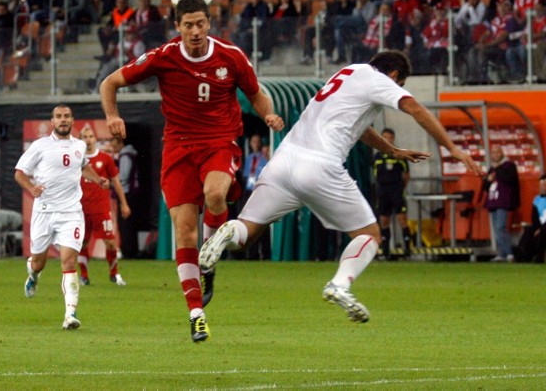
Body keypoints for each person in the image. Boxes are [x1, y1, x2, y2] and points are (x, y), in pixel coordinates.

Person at [199, 50, 482, 327]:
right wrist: (453, 149)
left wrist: (392, 150)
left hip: (283, 162)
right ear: (394, 75)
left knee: (246, 234)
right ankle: (340, 285)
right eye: (400, 84)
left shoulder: (346, 74)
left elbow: (359, 127)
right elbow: (415, 109)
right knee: (370, 235)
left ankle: (226, 231)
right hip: (320, 166)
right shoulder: (377, 79)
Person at [100, 0, 285, 342]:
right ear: (177, 27)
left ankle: (210, 260)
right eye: (188, 25)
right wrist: (112, 115)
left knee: (215, 195)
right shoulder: (164, 56)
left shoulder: (230, 56)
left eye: (201, 23)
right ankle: (196, 313)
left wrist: (268, 114)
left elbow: (256, 93)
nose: (196, 31)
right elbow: (109, 83)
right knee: (183, 231)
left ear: (209, 23)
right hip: (178, 148)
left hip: (219, 141)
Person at [14, 104, 110, 330]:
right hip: (44, 212)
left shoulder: (79, 145)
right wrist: (31, 188)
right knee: (38, 263)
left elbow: (83, 166)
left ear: (72, 120)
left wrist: (98, 179)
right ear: (52, 121)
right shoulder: (40, 146)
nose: (63, 120)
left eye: (66, 116)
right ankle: (33, 276)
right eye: (59, 117)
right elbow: (19, 173)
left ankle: (70, 315)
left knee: (68, 261)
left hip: (70, 213)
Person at [78, 127, 131, 286]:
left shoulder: (105, 158)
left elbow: (116, 181)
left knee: (110, 242)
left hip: (101, 208)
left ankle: (114, 274)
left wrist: (124, 203)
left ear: (95, 139)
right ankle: (84, 276)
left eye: (91, 136)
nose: (88, 139)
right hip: (80, 209)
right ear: (80, 139)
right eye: (85, 137)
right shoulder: (75, 159)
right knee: (82, 243)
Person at [373, 128, 412, 259]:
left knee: (402, 219)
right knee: (384, 220)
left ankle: (407, 250)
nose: (387, 140)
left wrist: (400, 187)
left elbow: (406, 175)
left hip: (396, 190)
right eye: (384, 137)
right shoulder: (377, 156)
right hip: (383, 191)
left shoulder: (400, 155)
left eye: (389, 137)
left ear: (393, 139)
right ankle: (385, 251)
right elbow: (375, 175)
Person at [483, 144, 519, 263]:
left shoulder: (508, 165)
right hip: (493, 201)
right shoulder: (492, 168)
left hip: (503, 201)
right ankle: (502, 253)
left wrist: (497, 172)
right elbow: (485, 186)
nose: (495, 155)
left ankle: (509, 253)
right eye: (493, 152)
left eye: (497, 152)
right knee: (496, 229)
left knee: (500, 227)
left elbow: (511, 179)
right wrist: (488, 181)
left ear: (502, 153)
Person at [110, 136, 141, 259]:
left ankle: (128, 251)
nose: (113, 148)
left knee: (126, 224)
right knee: (128, 224)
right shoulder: (128, 155)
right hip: (130, 193)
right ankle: (130, 250)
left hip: (127, 193)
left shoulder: (125, 156)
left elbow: (123, 177)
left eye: (114, 145)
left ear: (120, 143)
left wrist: (112, 182)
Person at [515, 174, 546, 263]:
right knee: (529, 230)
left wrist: (541, 228)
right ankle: (523, 254)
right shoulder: (537, 200)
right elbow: (535, 218)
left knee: (543, 230)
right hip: (540, 226)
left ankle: (539, 257)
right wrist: (538, 228)